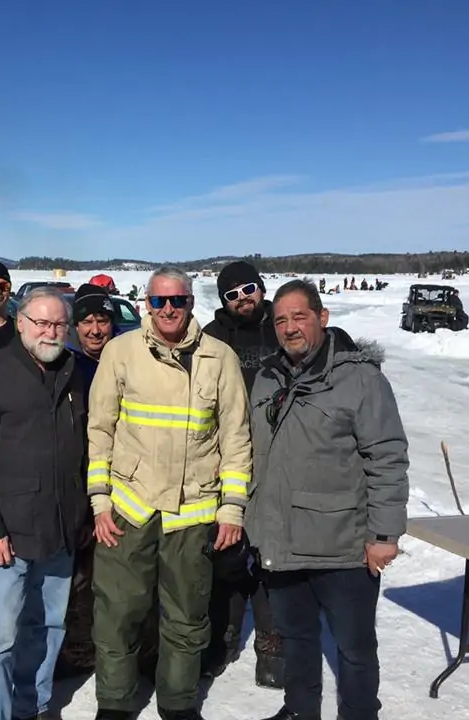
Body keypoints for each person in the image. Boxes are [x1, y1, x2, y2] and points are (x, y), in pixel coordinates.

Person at [88, 266, 252, 720]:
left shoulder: (220, 358)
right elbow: (99, 430)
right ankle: (116, 704)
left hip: (192, 512)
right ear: (146, 304)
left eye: (176, 301)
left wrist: (232, 509)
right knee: (118, 614)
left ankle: (178, 704)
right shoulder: (121, 352)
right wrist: (100, 500)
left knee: (186, 619)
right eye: (159, 301)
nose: (167, 309)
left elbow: (235, 438)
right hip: (129, 508)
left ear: (190, 303)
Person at [247, 280, 409, 720]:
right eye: (280, 320)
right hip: (283, 541)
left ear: (323, 317)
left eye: (299, 316)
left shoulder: (360, 380)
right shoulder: (266, 379)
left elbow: (388, 458)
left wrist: (384, 533)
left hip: (344, 547)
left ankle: (360, 713)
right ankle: (300, 710)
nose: (289, 328)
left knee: (354, 648)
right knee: (296, 637)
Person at [0, 287, 88, 720]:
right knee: (2, 635)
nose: (51, 332)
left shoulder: (74, 371)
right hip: (8, 533)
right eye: (42, 323)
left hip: (61, 526)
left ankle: (33, 706)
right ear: (21, 323)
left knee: (48, 627)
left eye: (59, 325)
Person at [202, 260, 284, 686]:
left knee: (270, 553)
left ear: (261, 287)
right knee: (227, 550)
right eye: (231, 294)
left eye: (248, 289)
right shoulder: (213, 338)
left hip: (278, 457)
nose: (242, 298)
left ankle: (271, 641)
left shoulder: (282, 325)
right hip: (226, 458)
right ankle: (224, 634)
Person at [55, 283, 120, 679]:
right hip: (78, 483)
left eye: (102, 320)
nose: (96, 329)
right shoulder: (66, 366)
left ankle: (122, 647)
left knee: (116, 578)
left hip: (123, 483)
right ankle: (77, 650)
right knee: (77, 577)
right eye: (87, 321)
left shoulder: (128, 359)